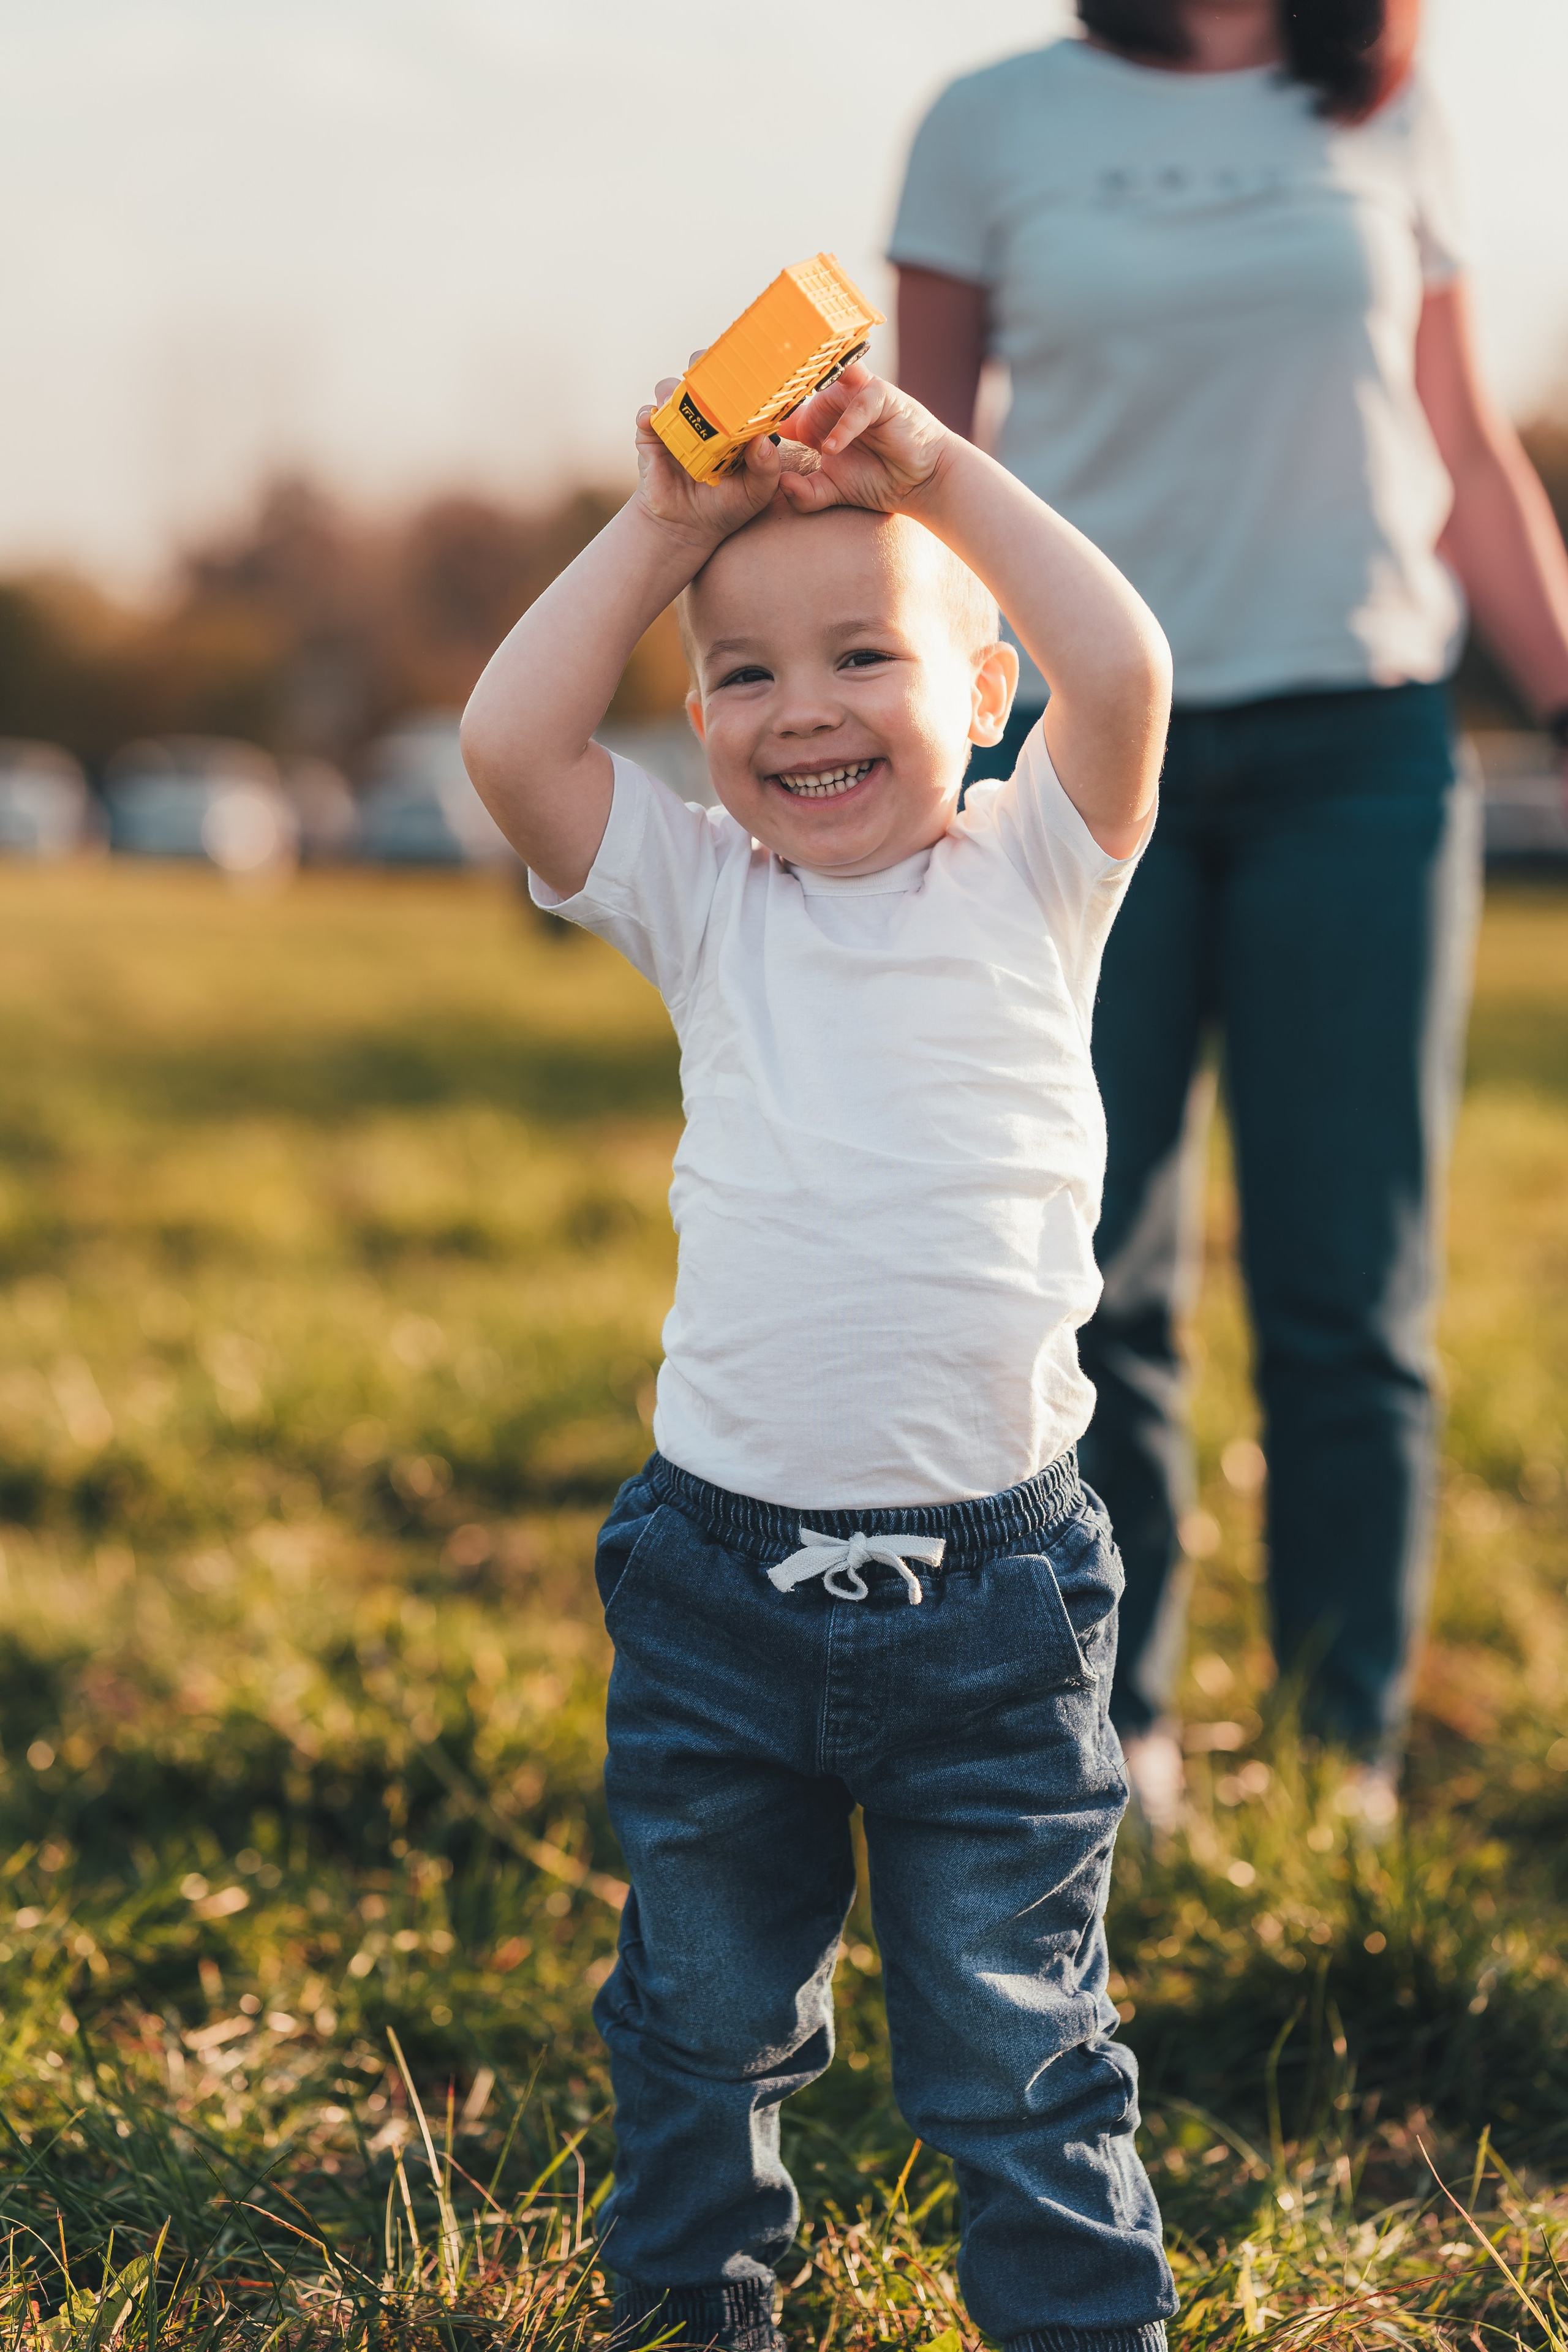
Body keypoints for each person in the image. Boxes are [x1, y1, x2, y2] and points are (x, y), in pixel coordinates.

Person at [459, 357, 1176, 2351]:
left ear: (983, 692)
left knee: (1021, 2048)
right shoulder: (707, 901)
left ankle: (1078, 2325)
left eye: (865, 654)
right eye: (748, 677)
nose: (805, 710)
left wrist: (937, 470)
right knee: (695, 2025)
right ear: (700, 730)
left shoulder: (1039, 876)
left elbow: (1129, 666)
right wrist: (668, 527)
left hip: (998, 1603)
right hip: (716, 1594)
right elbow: (514, 739)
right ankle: (695, 2312)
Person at [891, 0, 1568, 1828]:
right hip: (1088, 757)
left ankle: (1344, 1747)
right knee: (1091, 1271)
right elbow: (920, 469)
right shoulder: (990, 121)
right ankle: (1123, 1736)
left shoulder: (1385, 107)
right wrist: (889, 744)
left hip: (1365, 744)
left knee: (1354, 1287)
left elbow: (1464, 451)